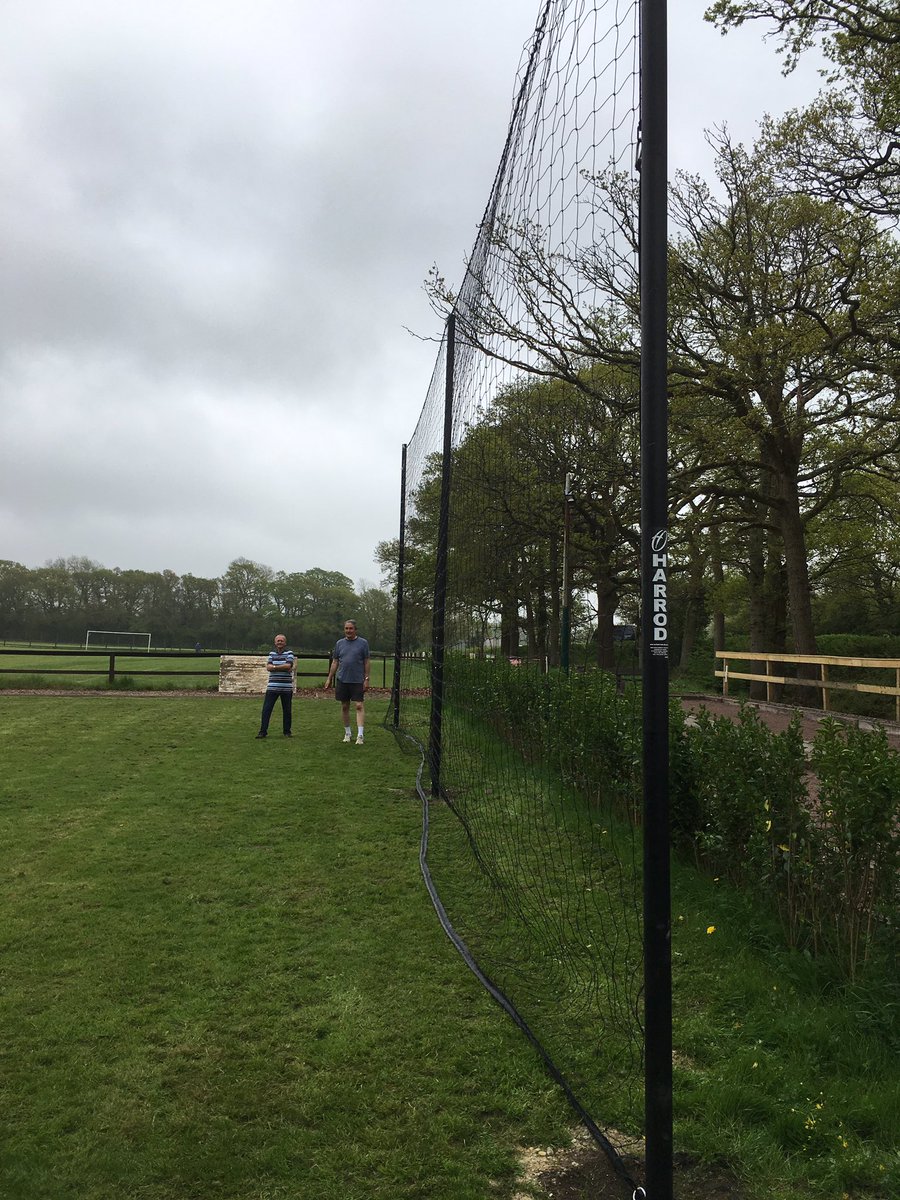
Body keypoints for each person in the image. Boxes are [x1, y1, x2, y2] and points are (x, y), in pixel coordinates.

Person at [324, 619, 370, 744]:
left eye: (351, 628)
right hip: (343, 680)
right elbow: (335, 662)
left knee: (359, 706)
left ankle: (360, 735)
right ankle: (348, 733)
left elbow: (366, 661)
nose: (348, 631)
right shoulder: (339, 643)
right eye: (346, 628)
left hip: (357, 680)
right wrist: (329, 678)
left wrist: (366, 679)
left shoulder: (363, 643)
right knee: (344, 706)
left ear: (355, 630)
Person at [256, 633, 295, 738]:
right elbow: (268, 667)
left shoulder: (290, 653)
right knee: (266, 709)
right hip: (272, 687)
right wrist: (282, 667)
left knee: (287, 710)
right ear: (275, 642)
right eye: (278, 640)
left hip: (286, 688)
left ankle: (287, 732)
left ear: (285, 642)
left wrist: (274, 667)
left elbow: (288, 665)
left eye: (282, 640)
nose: (280, 642)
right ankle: (263, 731)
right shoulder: (271, 653)